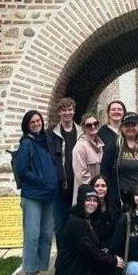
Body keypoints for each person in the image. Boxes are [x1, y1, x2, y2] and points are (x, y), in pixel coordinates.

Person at [53, 185, 126, 275]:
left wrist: (114, 260)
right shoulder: (75, 223)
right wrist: (112, 259)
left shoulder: (88, 220)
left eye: (95, 200)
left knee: (116, 268)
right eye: (88, 200)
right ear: (81, 201)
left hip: (87, 269)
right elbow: (91, 252)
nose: (92, 203)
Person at [17, 109, 61, 275]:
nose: (36, 124)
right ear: (27, 125)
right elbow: (22, 170)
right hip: (33, 195)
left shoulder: (45, 141)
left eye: (38, 121)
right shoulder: (27, 143)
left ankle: (38, 270)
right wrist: (42, 181)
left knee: (45, 234)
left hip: (48, 195)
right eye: (32, 122)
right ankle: (28, 272)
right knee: (32, 234)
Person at [101, 111, 138, 212]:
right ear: (122, 128)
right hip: (123, 198)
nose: (130, 128)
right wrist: (111, 195)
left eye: (133, 125)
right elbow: (105, 170)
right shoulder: (115, 145)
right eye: (127, 125)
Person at [48, 97, 82, 245]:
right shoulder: (51, 133)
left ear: (74, 111)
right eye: (64, 110)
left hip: (78, 187)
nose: (67, 113)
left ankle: (78, 261)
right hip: (61, 187)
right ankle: (63, 260)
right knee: (61, 225)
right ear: (59, 112)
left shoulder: (82, 132)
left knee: (78, 225)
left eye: (69, 110)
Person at [71, 112, 104, 204]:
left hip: (98, 196)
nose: (93, 126)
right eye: (89, 125)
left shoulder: (100, 146)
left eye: (95, 124)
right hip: (86, 197)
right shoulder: (80, 147)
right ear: (83, 128)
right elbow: (81, 175)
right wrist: (95, 188)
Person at [89, 174, 119, 253]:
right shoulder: (87, 209)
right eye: (97, 186)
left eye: (103, 186)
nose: (100, 188)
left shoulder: (114, 208)